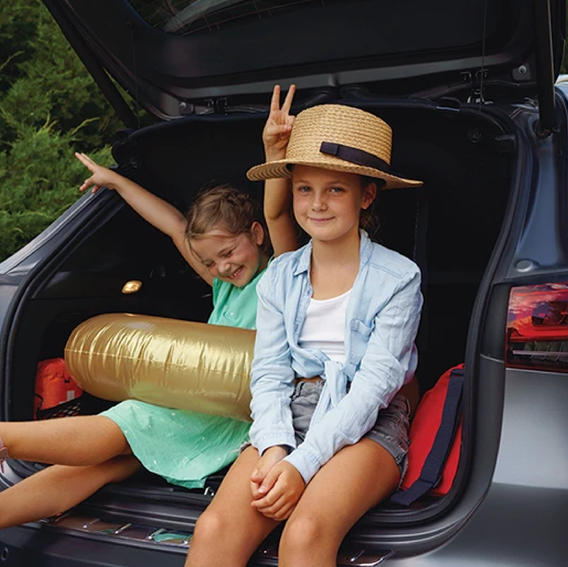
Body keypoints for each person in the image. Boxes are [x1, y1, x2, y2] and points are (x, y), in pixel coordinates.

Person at [0, 85, 301, 529]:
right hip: (190, 408)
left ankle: (6, 438)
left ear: (257, 234)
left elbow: (279, 215)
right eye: (211, 261)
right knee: (96, 466)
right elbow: (174, 226)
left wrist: (273, 150)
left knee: (127, 421)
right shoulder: (222, 285)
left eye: (229, 252)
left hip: (230, 416)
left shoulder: (282, 276)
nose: (222, 266)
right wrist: (118, 181)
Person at [185, 96, 424, 567]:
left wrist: (302, 463)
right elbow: (270, 371)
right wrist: (275, 446)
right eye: (303, 189)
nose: (316, 204)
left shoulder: (400, 279)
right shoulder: (278, 275)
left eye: (335, 189)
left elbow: (374, 387)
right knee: (215, 528)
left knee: (305, 532)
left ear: (367, 195)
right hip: (291, 410)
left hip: (369, 420)